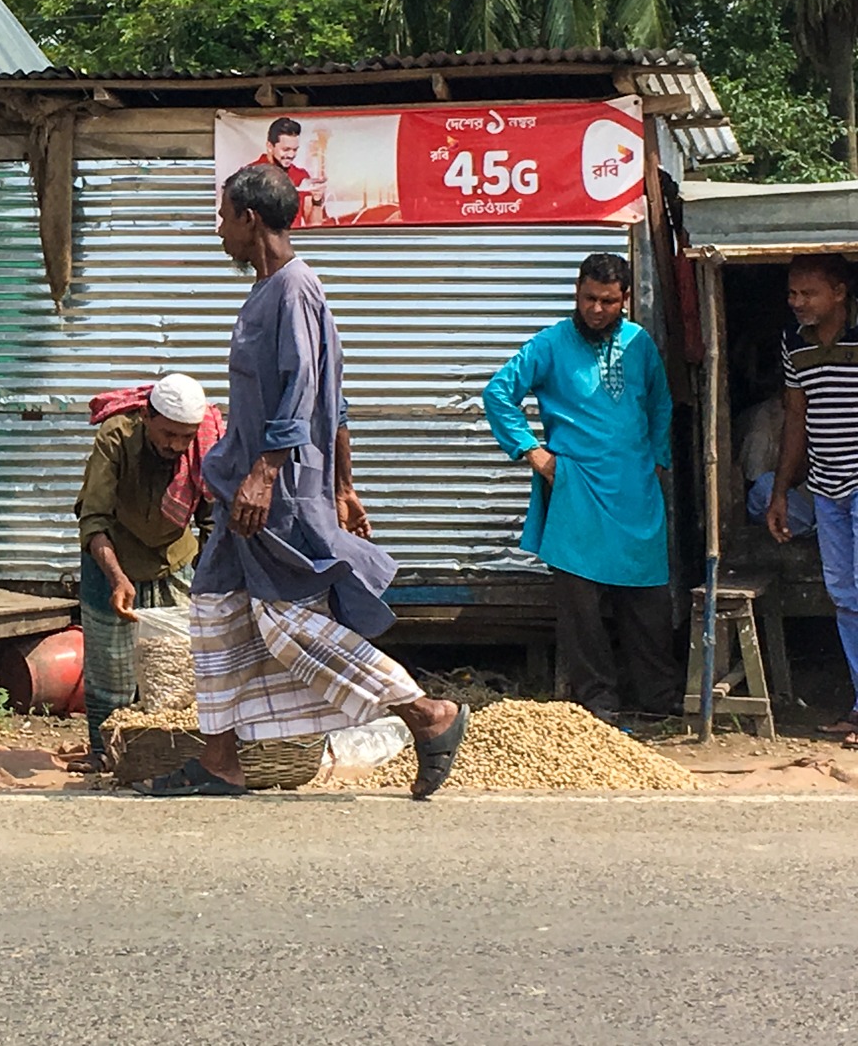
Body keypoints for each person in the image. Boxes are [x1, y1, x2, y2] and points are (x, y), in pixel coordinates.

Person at [137, 164, 465, 797]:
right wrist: (344, 483)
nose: (220, 231)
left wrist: (267, 471)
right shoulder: (271, 291)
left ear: (250, 219)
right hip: (246, 490)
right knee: (216, 611)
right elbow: (335, 401)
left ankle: (429, 714)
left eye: (224, 217)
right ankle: (221, 758)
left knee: (289, 626)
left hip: (274, 495)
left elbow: (309, 389)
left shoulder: (293, 290)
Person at [483, 253, 676, 725]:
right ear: (577, 291)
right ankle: (598, 704)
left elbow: (660, 405)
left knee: (647, 599)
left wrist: (658, 461)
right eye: (590, 298)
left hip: (635, 490)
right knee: (581, 608)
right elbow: (497, 393)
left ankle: (658, 700)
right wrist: (534, 453)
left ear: (625, 300)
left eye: (609, 301)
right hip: (577, 490)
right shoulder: (550, 344)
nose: (597, 309)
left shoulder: (640, 344)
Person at [68, 373, 223, 771]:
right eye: (168, 434)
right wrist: (117, 578)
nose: (176, 446)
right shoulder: (116, 437)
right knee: (109, 670)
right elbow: (94, 520)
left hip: (174, 560)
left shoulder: (205, 443)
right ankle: (107, 756)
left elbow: (212, 520)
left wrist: (207, 577)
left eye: (184, 438)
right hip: (112, 558)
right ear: (147, 416)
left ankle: (178, 756)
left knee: (177, 670)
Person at [767, 254, 858, 744]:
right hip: (826, 489)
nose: (797, 303)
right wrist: (780, 492)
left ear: (839, 293)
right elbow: (795, 419)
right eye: (792, 294)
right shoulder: (792, 344)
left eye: (808, 294)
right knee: (845, 598)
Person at [740, 394, 813, 536]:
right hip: (777, 503)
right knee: (766, 483)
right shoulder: (764, 423)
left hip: (814, 507)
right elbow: (755, 479)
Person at [248, 117, 325, 227]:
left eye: (295, 150)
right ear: (270, 146)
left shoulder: (301, 176)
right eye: (286, 149)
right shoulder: (250, 174)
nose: (291, 155)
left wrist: (316, 201)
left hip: (291, 242)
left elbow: (314, 226)